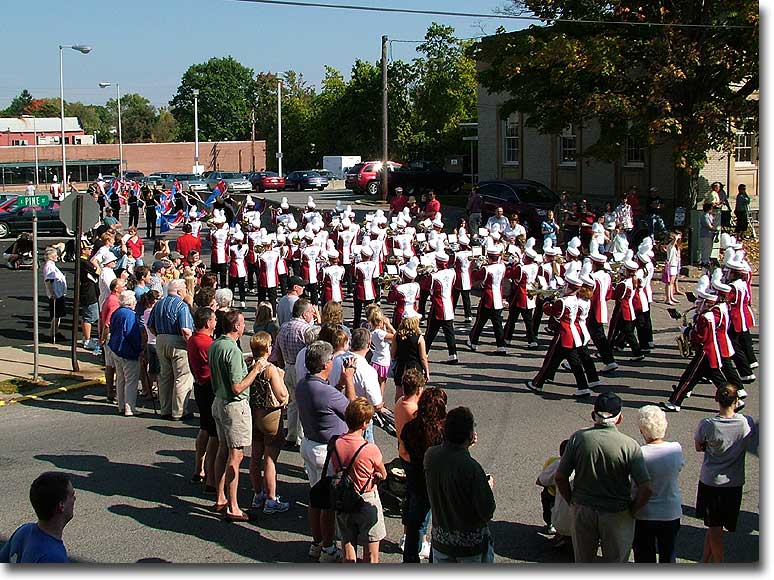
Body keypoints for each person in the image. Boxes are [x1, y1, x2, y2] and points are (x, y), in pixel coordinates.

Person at [554, 392, 653, 563]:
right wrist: (633, 510)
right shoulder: (629, 445)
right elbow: (646, 488)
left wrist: (572, 501)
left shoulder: (578, 438)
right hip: (617, 513)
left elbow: (560, 477)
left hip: (583, 508)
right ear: (619, 418)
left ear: (594, 415)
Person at [296, 340, 354, 563]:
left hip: (311, 443)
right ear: (324, 364)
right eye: (330, 360)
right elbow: (354, 412)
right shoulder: (325, 392)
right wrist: (348, 380)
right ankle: (328, 548)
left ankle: (317, 542)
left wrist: (338, 383)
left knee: (315, 497)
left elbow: (328, 398)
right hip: (326, 451)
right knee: (328, 504)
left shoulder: (304, 384)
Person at [208, 309, 261, 522]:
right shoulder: (233, 350)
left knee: (223, 450)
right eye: (241, 322)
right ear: (236, 326)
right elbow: (238, 387)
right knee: (235, 456)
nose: (243, 325)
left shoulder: (216, 344)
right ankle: (234, 506)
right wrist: (255, 370)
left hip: (218, 400)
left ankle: (221, 497)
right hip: (233, 405)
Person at [425, 406, 496, 563]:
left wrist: (464, 446)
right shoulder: (471, 468)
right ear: (469, 434)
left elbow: (450, 458)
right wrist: (488, 486)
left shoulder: (431, 456)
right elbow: (487, 510)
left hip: (441, 542)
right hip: (469, 548)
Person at [694, 383, 755, 563]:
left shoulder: (707, 424)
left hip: (711, 481)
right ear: (736, 401)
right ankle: (706, 561)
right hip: (734, 482)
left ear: (716, 400)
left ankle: (718, 565)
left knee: (714, 527)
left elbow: (698, 447)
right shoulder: (746, 422)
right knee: (715, 526)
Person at [331, 397, 388, 563]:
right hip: (366, 496)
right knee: (371, 553)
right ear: (364, 423)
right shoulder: (370, 449)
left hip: (343, 497)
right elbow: (383, 474)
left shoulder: (336, 443)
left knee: (348, 545)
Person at [400, 383, 446, 562]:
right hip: (440, 483)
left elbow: (403, 453)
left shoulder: (411, 428)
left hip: (417, 480)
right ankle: (435, 559)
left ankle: (410, 560)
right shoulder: (444, 431)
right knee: (439, 525)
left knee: (415, 525)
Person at [632, 405, 685, 563]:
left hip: (643, 512)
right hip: (670, 511)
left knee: (643, 555)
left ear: (642, 430)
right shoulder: (675, 449)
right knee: (668, 554)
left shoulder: (638, 453)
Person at [248, 331, 290, 514]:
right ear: (267, 348)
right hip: (270, 414)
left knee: (256, 456)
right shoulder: (270, 369)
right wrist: (283, 386)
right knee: (270, 459)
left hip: (254, 413)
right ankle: (271, 499)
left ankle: (258, 493)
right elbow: (281, 394)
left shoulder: (249, 364)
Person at [269, 298, 319, 448]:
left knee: (291, 403)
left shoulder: (284, 327)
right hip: (301, 368)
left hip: (288, 366)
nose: (312, 314)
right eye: (310, 312)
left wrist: (283, 365)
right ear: (304, 314)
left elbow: (277, 350)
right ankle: (300, 436)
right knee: (303, 404)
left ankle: (291, 434)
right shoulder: (305, 329)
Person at [146, 279, 195, 420]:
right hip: (178, 341)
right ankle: (179, 411)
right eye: (185, 288)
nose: (186, 291)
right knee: (182, 377)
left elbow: (150, 325)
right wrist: (190, 344)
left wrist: (159, 336)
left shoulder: (159, 304)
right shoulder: (182, 306)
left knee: (165, 377)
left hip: (161, 339)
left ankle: (165, 409)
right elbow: (185, 329)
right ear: (179, 291)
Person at [0, 472, 75, 563]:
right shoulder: (53, 557)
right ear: (61, 505)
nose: (74, 499)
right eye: (72, 495)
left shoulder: (24, 531)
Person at [186, 307, 219, 494]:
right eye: (213, 320)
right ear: (208, 323)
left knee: (204, 428)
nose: (215, 323)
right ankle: (211, 475)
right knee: (214, 433)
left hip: (199, 385)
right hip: (209, 387)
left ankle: (199, 468)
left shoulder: (193, 340)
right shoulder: (208, 343)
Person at [108, 290, 143, 416]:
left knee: (121, 379)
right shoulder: (130, 315)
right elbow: (131, 334)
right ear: (131, 302)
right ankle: (130, 407)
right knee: (131, 381)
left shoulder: (117, 312)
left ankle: (121, 405)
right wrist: (139, 349)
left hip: (116, 348)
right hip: (127, 351)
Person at [391, 313, 430, 402]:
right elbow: (423, 357)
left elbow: (392, 354)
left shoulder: (397, 335)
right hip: (415, 367)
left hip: (400, 366)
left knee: (399, 391)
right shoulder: (419, 337)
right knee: (416, 392)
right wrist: (427, 371)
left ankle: (399, 410)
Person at [42, 247, 68, 343]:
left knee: (58, 315)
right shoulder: (49, 266)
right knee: (56, 315)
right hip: (55, 294)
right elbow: (48, 280)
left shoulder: (52, 265)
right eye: (55, 255)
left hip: (59, 293)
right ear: (51, 256)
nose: (57, 256)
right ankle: (52, 333)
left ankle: (55, 331)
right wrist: (52, 293)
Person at [699, 202, 718, 270]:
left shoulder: (709, 216)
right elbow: (709, 226)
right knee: (705, 248)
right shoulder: (704, 216)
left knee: (709, 248)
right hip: (705, 234)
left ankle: (707, 260)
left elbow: (713, 222)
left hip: (710, 235)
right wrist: (715, 229)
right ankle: (704, 261)